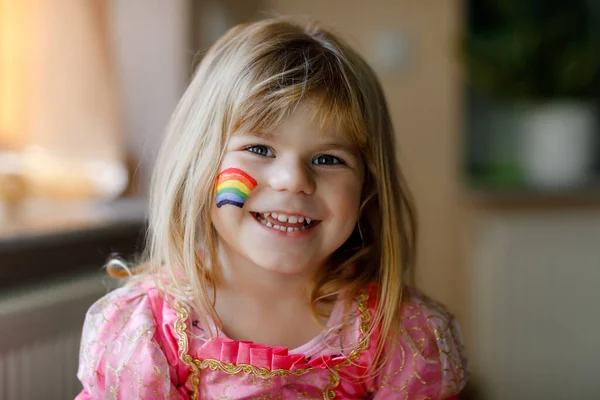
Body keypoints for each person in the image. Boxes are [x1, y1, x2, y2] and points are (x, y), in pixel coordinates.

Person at [76, 17, 468, 399]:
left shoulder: (401, 337)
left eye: (329, 159)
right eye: (259, 149)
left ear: (367, 184)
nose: (293, 179)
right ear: (199, 163)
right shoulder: (147, 332)